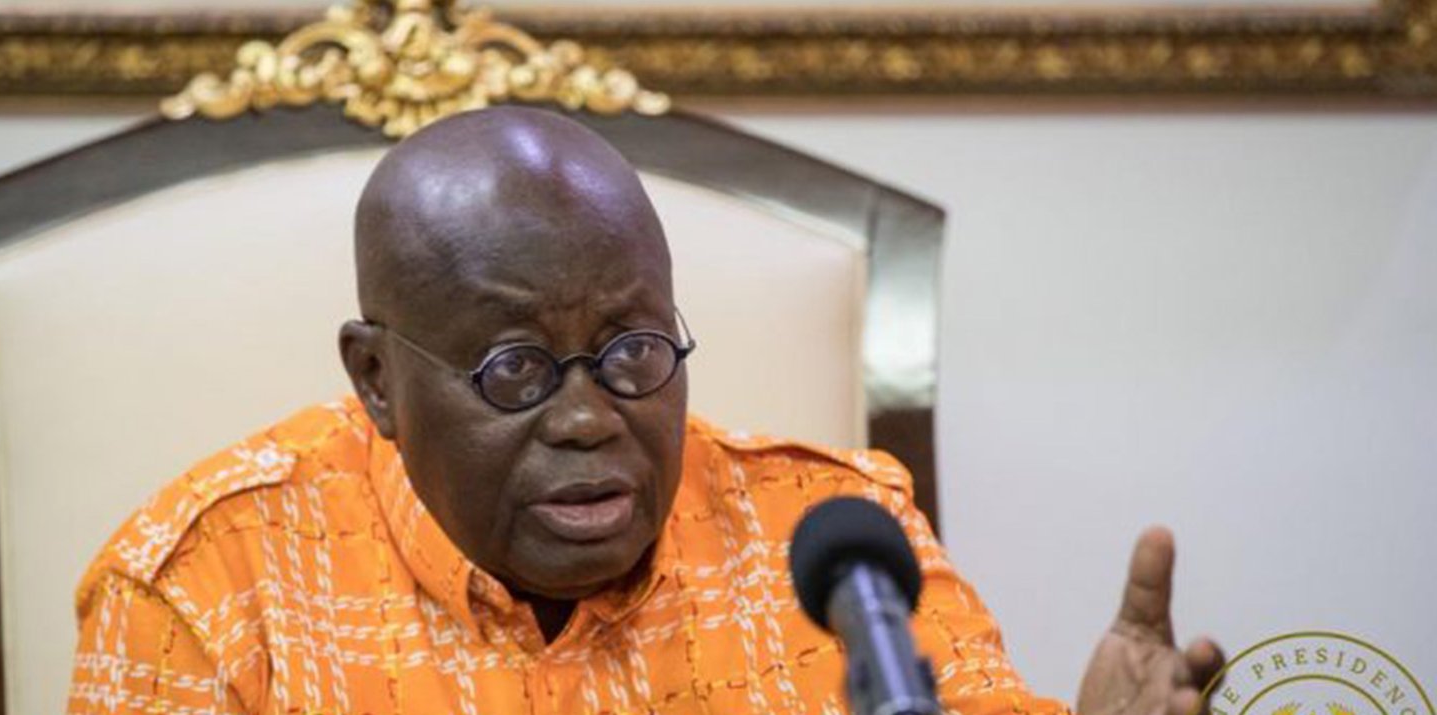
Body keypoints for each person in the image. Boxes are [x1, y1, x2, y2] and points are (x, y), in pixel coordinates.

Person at [68, 106, 1224, 715]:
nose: (588, 418)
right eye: (515, 370)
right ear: (377, 379)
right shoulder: (207, 590)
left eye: (631, 351)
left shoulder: (832, 541)